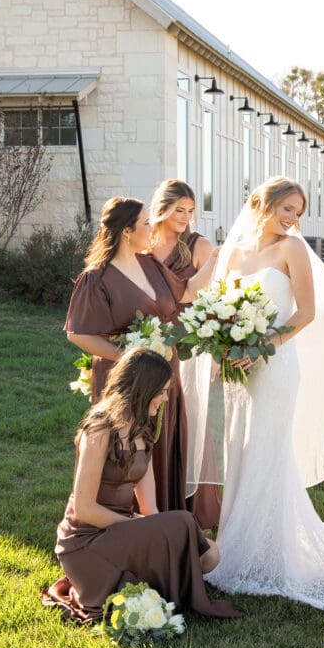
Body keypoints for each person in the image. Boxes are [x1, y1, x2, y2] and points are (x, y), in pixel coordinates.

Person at [203, 177, 324, 610]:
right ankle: (237, 542)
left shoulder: (292, 250)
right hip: (238, 368)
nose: (292, 219)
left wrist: (264, 347)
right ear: (262, 203)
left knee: (268, 450)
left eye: (298, 212)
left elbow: (306, 312)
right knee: (240, 448)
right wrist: (222, 350)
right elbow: (218, 308)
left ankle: (271, 554)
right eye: (287, 208)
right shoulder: (232, 252)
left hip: (275, 367)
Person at [42, 348, 238, 622]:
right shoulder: (98, 430)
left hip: (121, 532)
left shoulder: (142, 432)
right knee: (182, 522)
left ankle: (160, 579)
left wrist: (161, 538)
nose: (166, 398)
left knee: (210, 553)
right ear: (142, 389)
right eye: (162, 391)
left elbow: (151, 511)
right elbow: (84, 510)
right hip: (86, 540)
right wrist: (141, 528)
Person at [65, 196, 213, 513]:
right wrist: (126, 355)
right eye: (146, 223)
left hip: (162, 376)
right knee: (126, 444)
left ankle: (164, 520)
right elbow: (78, 332)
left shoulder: (149, 264)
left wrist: (218, 260)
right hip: (126, 381)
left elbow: (186, 292)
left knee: (161, 443)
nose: (151, 228)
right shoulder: (96, 278)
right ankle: (121, 523)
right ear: (128, 231)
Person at [149, 179, 221, 530]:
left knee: (191, 418)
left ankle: (197, 512)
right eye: (179, 210)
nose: (185, 217)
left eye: (190, 211)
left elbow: (213, 302)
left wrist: (216, 354)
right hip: (148, 338)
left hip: (189, 341)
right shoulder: (143, 242)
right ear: (162, 207)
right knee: (152, 414)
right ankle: (154, 502)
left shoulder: (198, 244)